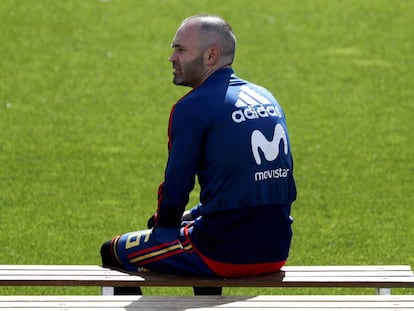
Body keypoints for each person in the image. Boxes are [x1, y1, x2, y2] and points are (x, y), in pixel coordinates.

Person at [101, 14, 296, 295]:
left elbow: (176, 189)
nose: (172, 58)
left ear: (211, 55)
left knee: (113, 251)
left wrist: (163, 230)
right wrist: (192, 216)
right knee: (195, 226)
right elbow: (252, 183)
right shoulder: (266, 97)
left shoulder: (192, 107)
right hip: (276, 249)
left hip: (224, 254)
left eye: (180, 49)